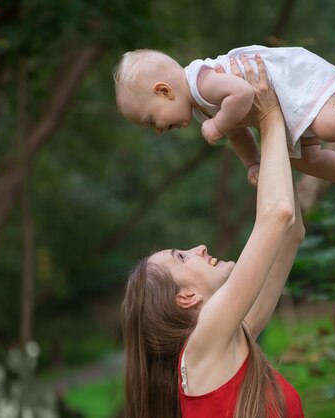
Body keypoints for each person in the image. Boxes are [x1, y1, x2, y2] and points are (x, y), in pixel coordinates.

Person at [120, 55, 305, 418]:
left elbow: (291, 231)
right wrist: (268, 115)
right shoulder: (204, 346)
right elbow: (277, 215)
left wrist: (258, 151)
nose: (199, 248)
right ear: (187, 297)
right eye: (182, 257)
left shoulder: (232, 338)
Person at [114, 45, 335, 212]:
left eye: (152, 120)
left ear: (164, 91)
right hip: (284, 104)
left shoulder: (201, 82)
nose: (157, 130)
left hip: (296, 81)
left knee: (330, 125)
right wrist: (251, 162)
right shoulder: (198, 105)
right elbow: (238, 131)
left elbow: (243, 95)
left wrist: (217, 124)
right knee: (302, 159)